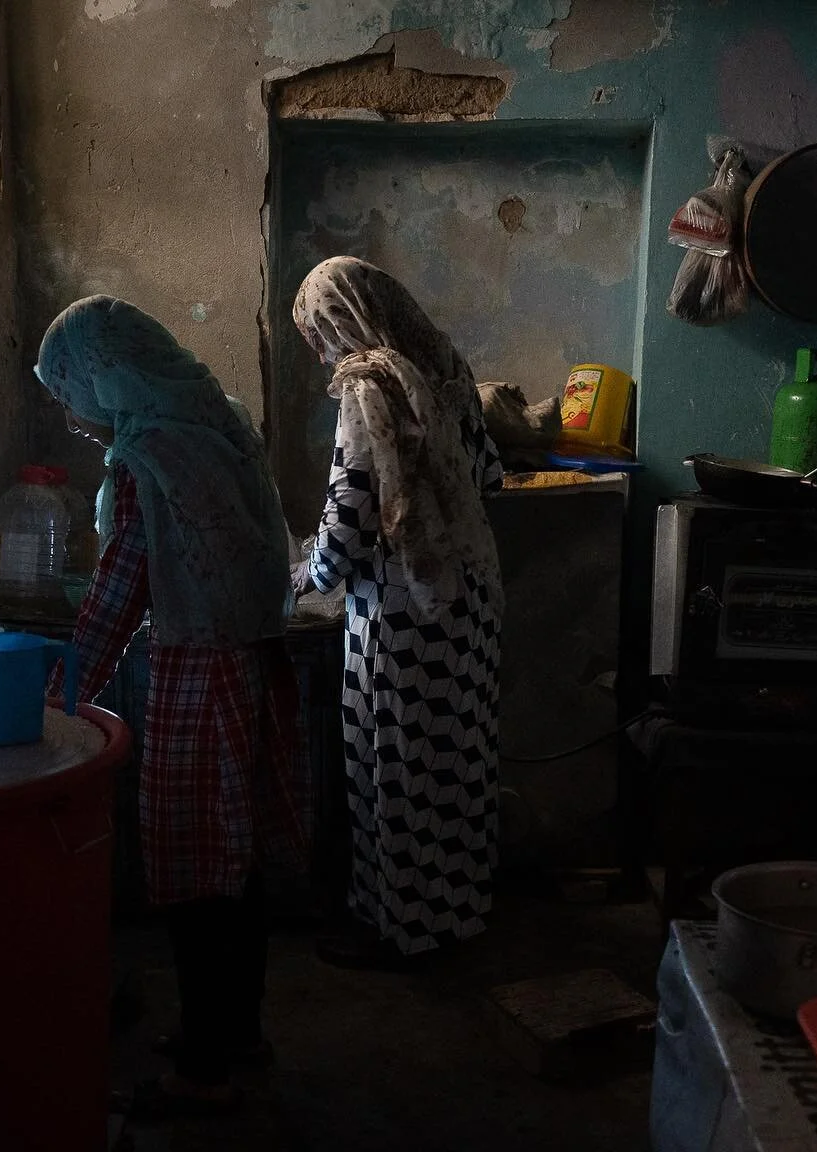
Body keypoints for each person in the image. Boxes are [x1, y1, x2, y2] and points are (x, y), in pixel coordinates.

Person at [35, 295, 309, 1112]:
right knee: (237, 866)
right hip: (253, 663)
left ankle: (203, 1068)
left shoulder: (148, 456)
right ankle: (239, 1034)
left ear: (108, 375)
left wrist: (60, 697)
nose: (72, 411)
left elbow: (121, 585)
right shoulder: (214, 420)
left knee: (195, 878)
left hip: (199, 674)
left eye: (71, 389)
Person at [291, 256, 504, 969]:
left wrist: (305, 573)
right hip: (468, 600)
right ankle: (458, 918)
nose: (322, 352)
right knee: (458, 764)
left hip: (401, 613)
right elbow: (492, 477)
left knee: (396, 771)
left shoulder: (368, 385)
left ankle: (401, 933)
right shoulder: (446, 367)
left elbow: (352, 512)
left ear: (342, 318)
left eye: (318, 333)